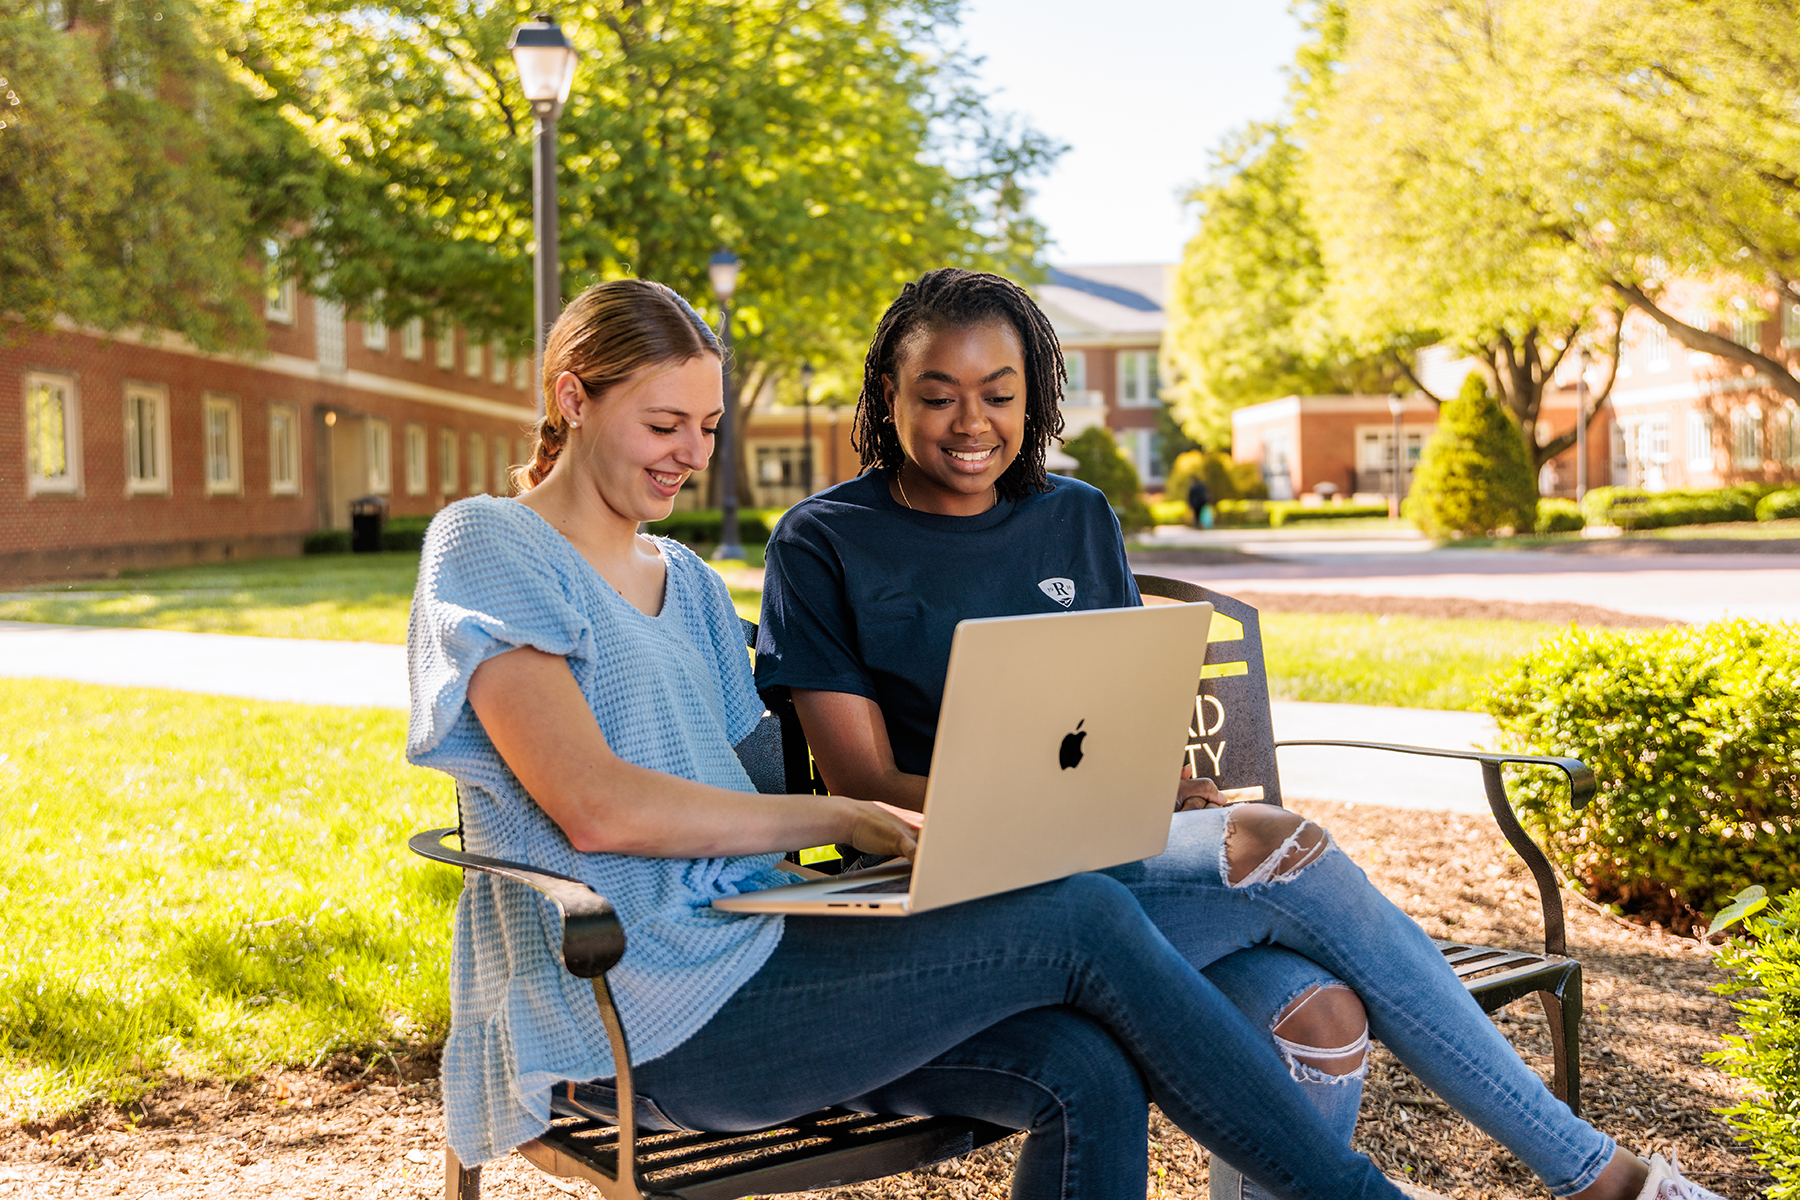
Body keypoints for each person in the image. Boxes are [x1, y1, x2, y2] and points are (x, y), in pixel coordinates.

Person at [406, 277, 1436, 1200]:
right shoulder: (489, 544)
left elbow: (757, 815)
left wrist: (908, 861)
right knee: (1080, 916)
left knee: (1087, 1065)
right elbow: (596, 807)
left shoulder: (691, 590)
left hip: (762, 948)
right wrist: (851, 810)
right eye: (664, 424)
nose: (692, 456)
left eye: (709, 427)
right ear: (574, 398)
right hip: (633, 1011)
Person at [752, 268, 1719, 1200]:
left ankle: (1593, 1174)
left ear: (1035, 395)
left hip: (1109, 859)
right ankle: (1595, 1174)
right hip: (959, 893)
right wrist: (1067, 800)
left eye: (999, 394)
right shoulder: (824, 540)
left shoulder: (1076, 517)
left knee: (1324, 1017)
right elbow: (863, 780)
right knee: (1278, 845)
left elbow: (1105, 707)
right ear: (888, 394)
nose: (972, 423)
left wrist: (1159, 777)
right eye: (938, 395)